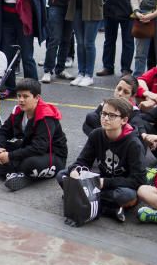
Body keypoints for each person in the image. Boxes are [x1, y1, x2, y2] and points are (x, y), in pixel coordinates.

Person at [58, 96, 145, 224]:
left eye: (112, 115)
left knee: (126, 196)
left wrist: (105, 182)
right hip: (99, 182)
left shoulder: (133, 144)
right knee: (63, 176)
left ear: (124, 120)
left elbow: (138, 180)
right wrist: (75, 171)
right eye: (103, 113)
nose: (105, 118)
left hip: (119, 186)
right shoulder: (96, 134)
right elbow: (82, 161)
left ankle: (82, 198)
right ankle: (108, 209)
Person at [0, 77, 67, 192]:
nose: (21, 100)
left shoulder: (46, 117)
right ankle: (19, 174)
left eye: (25, 96)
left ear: (37, 98)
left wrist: (9, 156)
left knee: (29, 163)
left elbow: (39, 148)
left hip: (52, 156)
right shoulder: (18, 111)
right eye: (19, 96)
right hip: (28, 147)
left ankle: (3, 168)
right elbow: (3, 131)